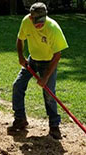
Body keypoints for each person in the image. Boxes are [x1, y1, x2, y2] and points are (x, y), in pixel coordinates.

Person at [8, 2, 69, 139]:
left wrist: (46, 77)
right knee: (17, 85)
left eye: (42, 20)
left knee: (49, 93)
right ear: (30, 17)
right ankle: (20, 119)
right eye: (36, 21)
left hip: (48, 62)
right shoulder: (26, 22)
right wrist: (20, 56)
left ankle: (54, 126)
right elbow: (20, 39)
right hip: (32, 60)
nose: (39, 24)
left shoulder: (53, 28)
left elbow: (57, 55)